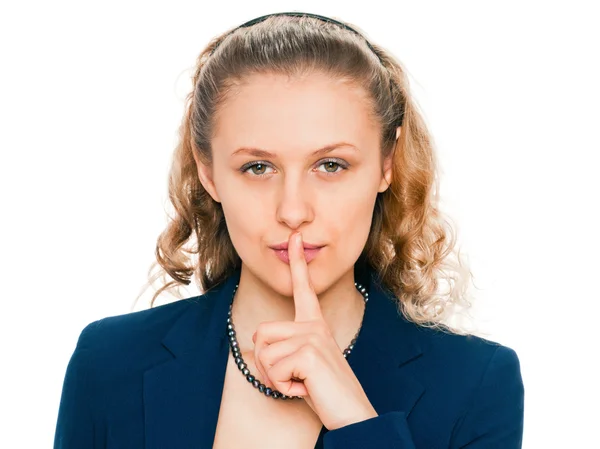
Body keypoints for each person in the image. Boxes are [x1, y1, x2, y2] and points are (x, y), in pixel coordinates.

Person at [53, 12, 525, 449]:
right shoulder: (109, 363)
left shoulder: (477, 384)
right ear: (209, 172)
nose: (294, 210)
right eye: (258, 167)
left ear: (387, 164)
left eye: (331, 165)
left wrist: (356, 418)